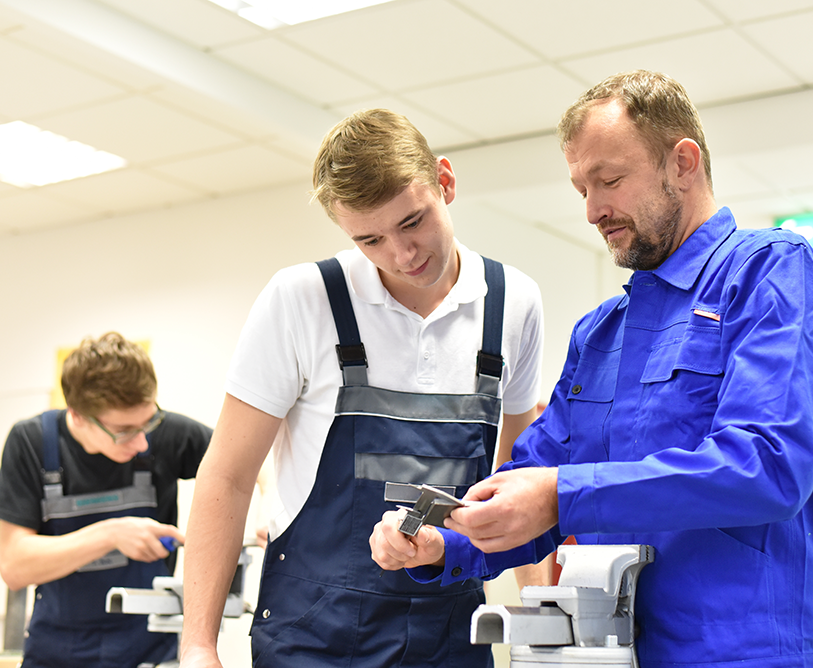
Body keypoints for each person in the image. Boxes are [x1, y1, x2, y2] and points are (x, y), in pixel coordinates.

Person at [370, 70, 813, 668]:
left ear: (683, 163)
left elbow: (768, 466)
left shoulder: (772, 275)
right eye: (581, 189)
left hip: (741, 653)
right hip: (605, 652)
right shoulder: (601, 334)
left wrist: (561, 495)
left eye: (610, 180)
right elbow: (534, 479)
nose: (593, 210)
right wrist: (442, 542)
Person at [179, 108, 543, 668]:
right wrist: (198, 644)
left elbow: (519, 479)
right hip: (312, 633)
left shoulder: (513, 303)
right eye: (370, 239)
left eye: (413, 222)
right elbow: (226, 476)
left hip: (450, 633)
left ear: (445, 182)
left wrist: (544, 616)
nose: (402, 255)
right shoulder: (302, 299)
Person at [0, 331, 213, 668]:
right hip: (57, 651)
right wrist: (111, 535)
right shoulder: (31, 442)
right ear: (78, 415)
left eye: (149, 421)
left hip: (149, 650)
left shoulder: (169, 434)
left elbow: (255, 462)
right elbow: (14, 565)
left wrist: (262, 515)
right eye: (124, 431)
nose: (141, 443)